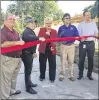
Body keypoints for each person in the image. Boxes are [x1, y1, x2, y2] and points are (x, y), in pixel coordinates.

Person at [1, 14, 25, 99]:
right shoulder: (2, 31)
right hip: (8, 59)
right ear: (5, 21)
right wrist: (17, 42)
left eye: (14, 19)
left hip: (17, 58)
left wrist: (20, 41)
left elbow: (19, 42)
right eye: (10, 19)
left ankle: (11, 91)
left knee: (13, 77)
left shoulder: (15, 31)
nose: (13, 20)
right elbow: (3, 44)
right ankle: (5, 97)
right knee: (6, 80)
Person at [21, 17, 45, 94]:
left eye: (34, 23)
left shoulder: (31, 31)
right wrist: (39, 38)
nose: (34, 24)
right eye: (32, 23)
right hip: (26, 54)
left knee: (29, 70)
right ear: (28, 24)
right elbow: (27, 38)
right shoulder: (26, 31)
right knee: (27, 71)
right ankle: (28, 88)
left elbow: (33, 43)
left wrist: (34, 52)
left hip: (30, 53)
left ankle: (29, 83)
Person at [77, 11, 99, 80]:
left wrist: (96, 35)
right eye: (87, 15)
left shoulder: (93, 23)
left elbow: (97, 33)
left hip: (91, 44)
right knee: (81, 59)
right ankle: (80, 74)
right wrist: (82, 38)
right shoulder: (81, 24)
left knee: (91, 59)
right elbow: (78, 35)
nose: (88, 16)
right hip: (83, 43)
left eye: (89, 15)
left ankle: (89, 74)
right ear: (84, 16)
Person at [58, 13, 79, 81]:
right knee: (63, 61)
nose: (68, 19)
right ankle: (62, 75)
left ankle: (71, 75)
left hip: (71, 46)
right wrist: (61, 41)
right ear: (63, 19)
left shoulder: (73, 27)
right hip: (63, 47)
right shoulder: (61, 28)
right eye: (67, 18)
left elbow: (77, 36)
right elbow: (58, 38)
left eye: (69, 18)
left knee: (71, 61)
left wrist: (79, 38)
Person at [38, 17, 57, 83]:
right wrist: (45, 34)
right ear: (44, 23)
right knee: (42, 64)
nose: (48, 25)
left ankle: (52, 78)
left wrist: (50, 35)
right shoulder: (41, 30)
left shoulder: (54, 31)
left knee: (52, 64)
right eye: (47, 23)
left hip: (51, 49)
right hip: (43, 49)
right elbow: (39, 38)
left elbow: (55, 41)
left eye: (50, 23)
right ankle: (42, 76)